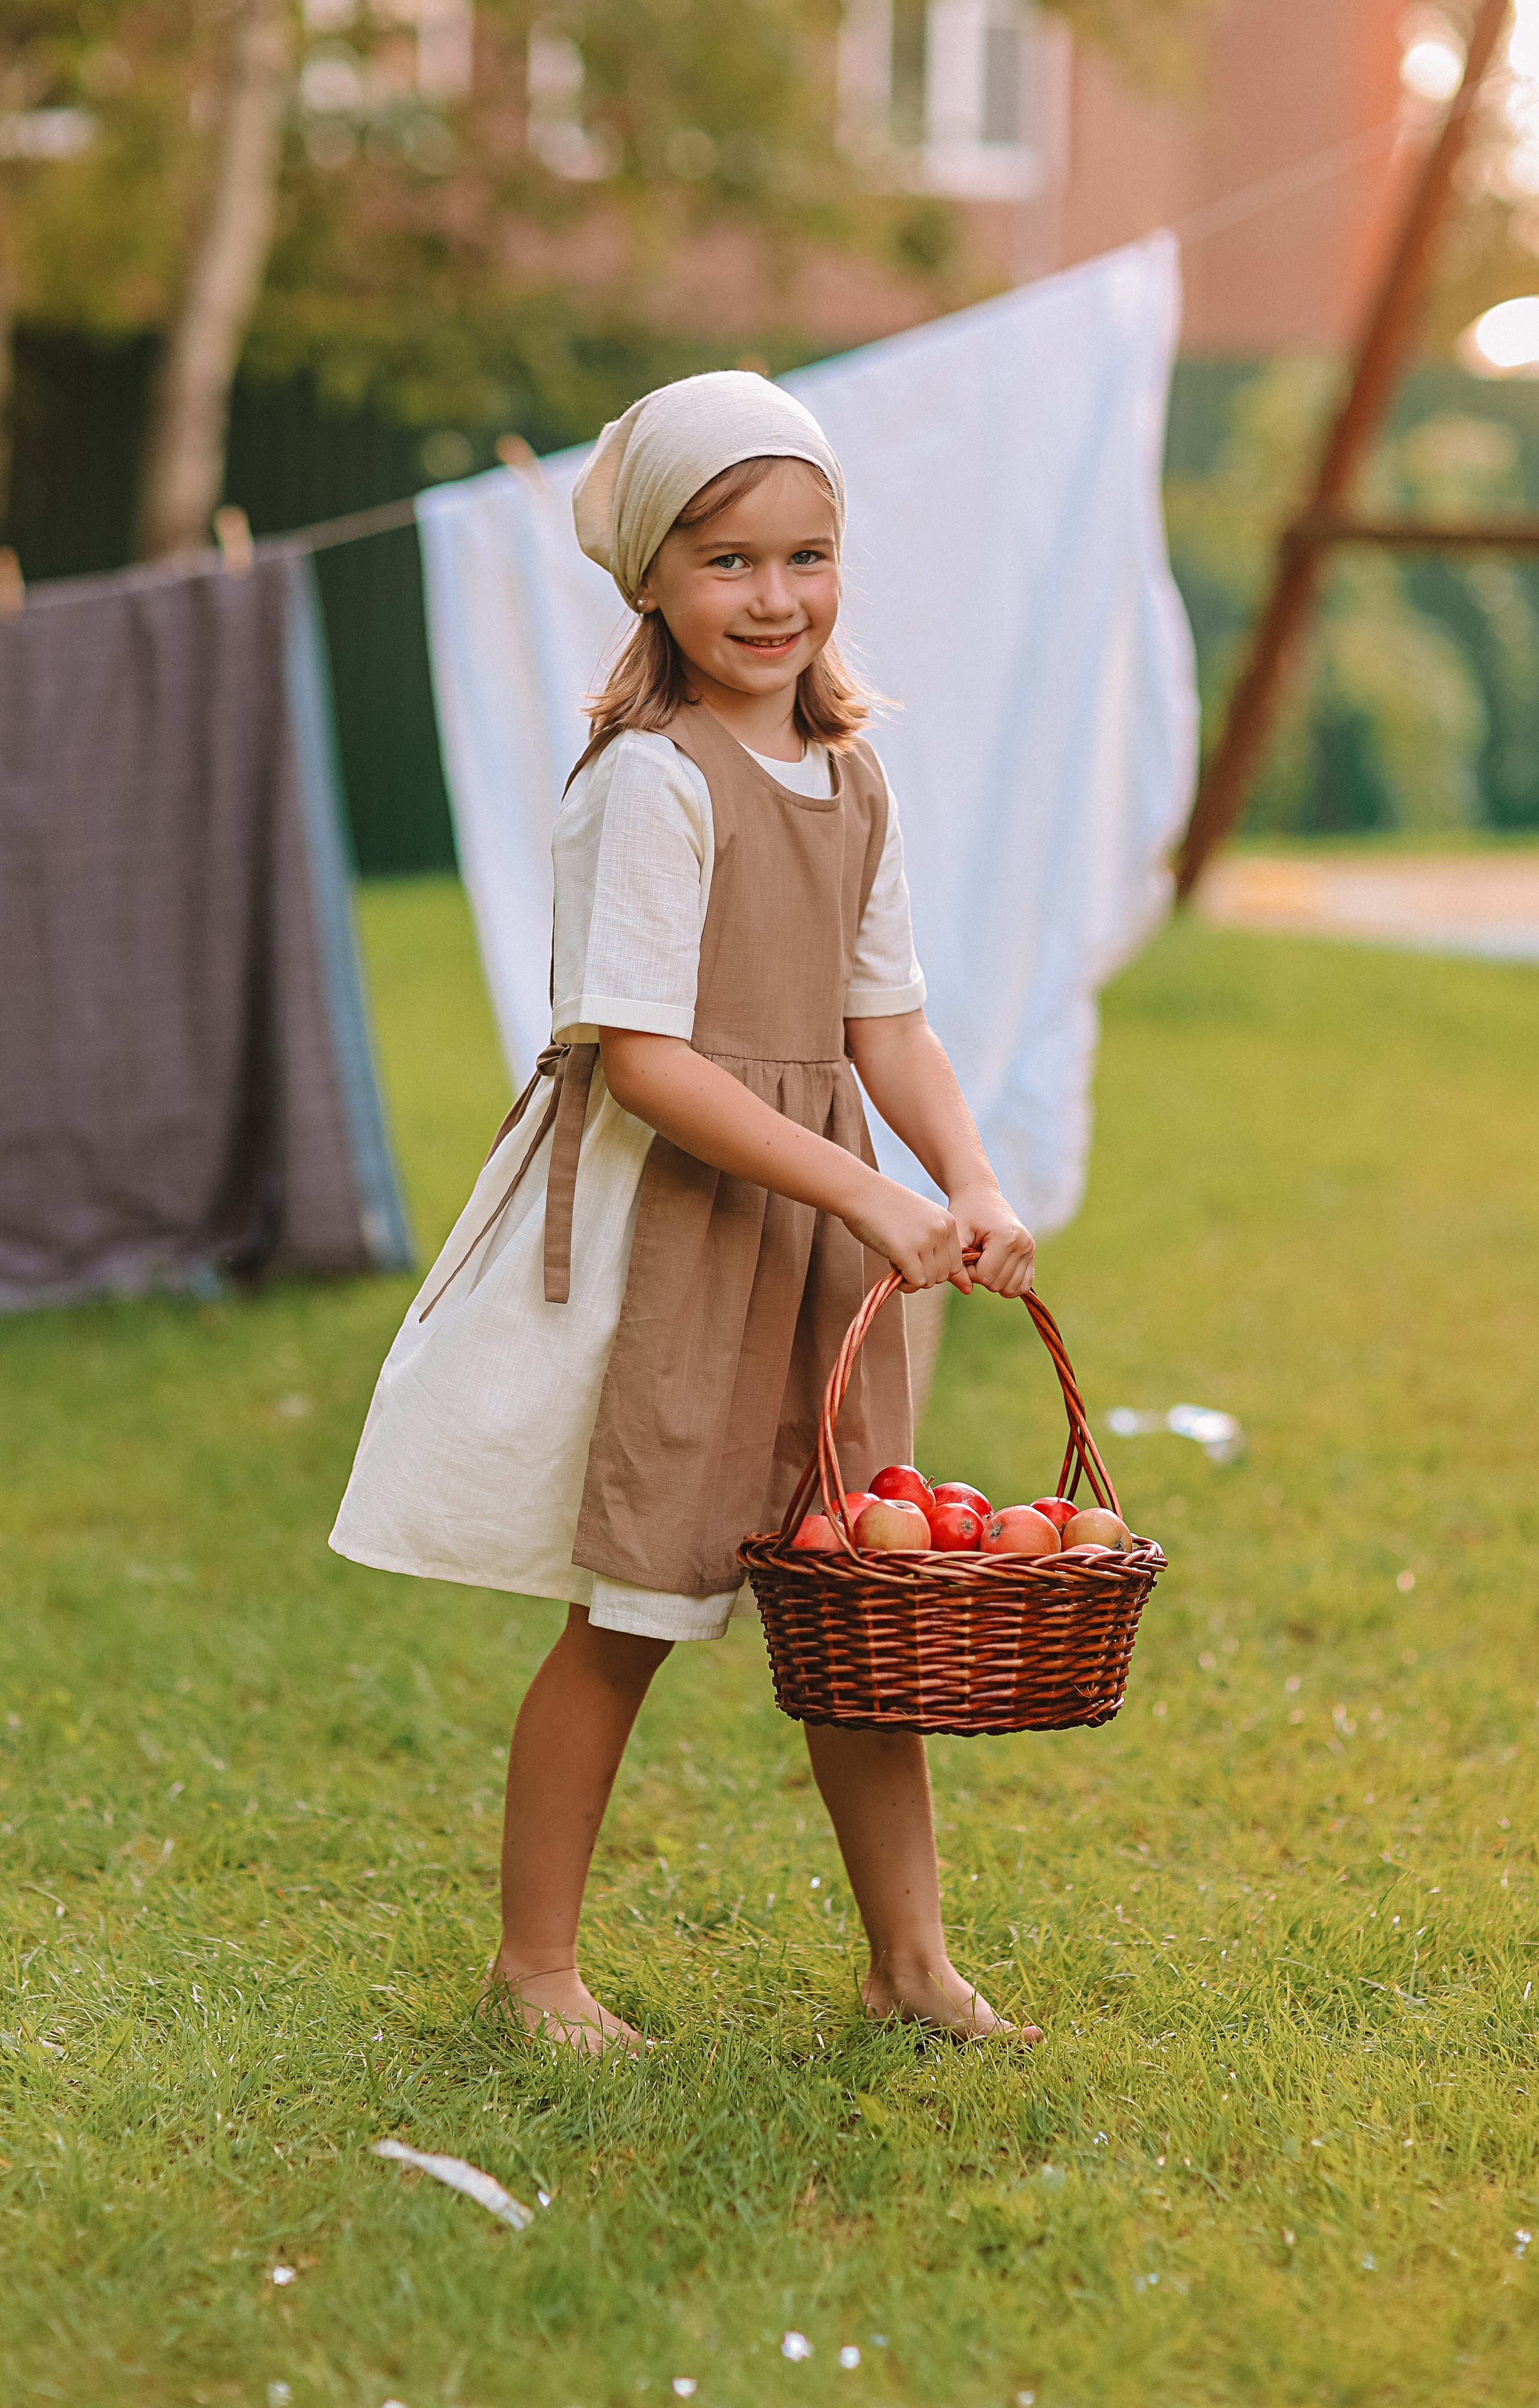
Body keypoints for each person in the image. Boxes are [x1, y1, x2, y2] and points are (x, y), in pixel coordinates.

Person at [331, 371, 1039, 2052]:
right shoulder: (648, 781)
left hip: (823, 1247)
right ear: (654, 573)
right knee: (636, 1609)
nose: (776, 598)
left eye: (808, 556)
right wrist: (872, 1190)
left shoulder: (852, 778)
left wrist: (971, 1178)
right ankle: (536, 1970)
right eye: (730, 560)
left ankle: (912, 1962)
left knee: (860, 1603)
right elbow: (643, 1060)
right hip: (687, 1245)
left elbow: (888, 1023)